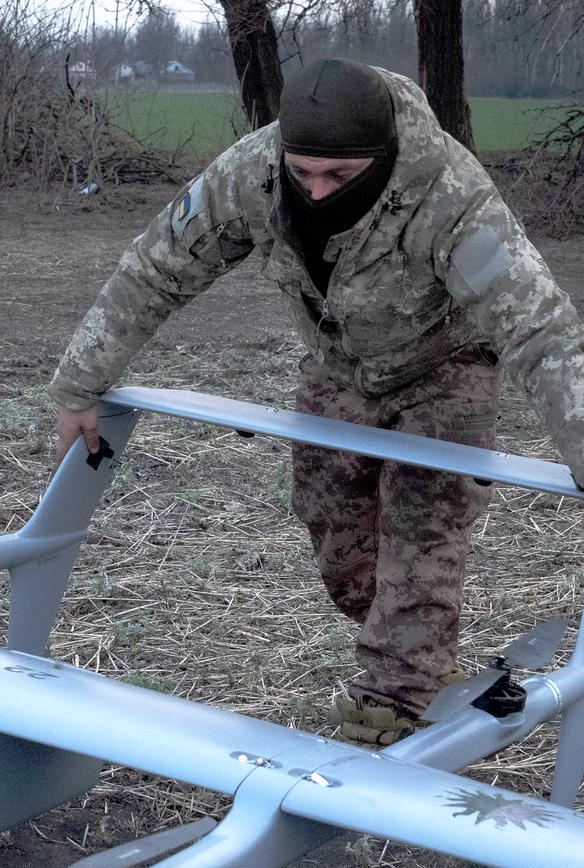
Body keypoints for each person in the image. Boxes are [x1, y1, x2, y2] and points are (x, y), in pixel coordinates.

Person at [49, 58, 584, 745]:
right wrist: (77, 385)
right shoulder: (251, 173)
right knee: (339, 541)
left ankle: (390, 705)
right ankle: (415, 648)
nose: (318, 190)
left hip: (446, 368)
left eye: (340, 176)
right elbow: (159, 265)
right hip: (338, 367)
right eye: (304, 173)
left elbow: (539, 328)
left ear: (383, 158)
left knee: (421, 531)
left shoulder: (450, 195)